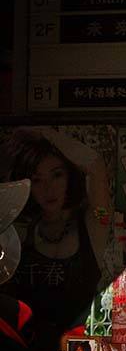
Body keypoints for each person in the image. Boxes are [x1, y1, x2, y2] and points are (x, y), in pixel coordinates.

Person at [0, 128, 111, 334]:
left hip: (79, 348)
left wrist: (43, 132)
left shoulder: (93, 225)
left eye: (57, 175)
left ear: (70, 177)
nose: (48, 188)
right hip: (28, 349)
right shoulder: (21, 233)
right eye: (37, 180)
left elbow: (95, 164)